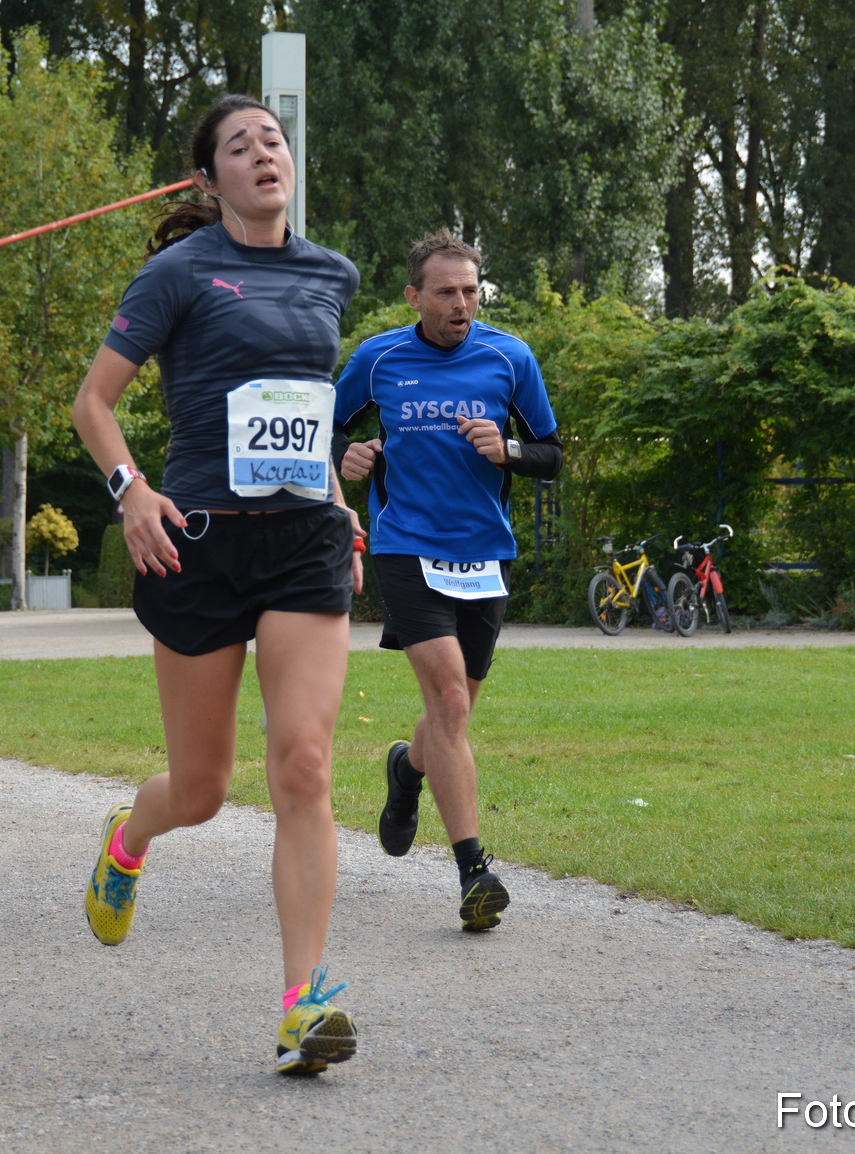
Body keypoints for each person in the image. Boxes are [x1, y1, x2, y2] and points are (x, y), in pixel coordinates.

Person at [72, 94, 364, 1077]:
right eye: (240, 147)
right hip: (195, 543)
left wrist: (336, 503)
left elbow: (308, 408)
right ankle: (129, 838)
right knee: (200, 789)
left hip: (303, 542)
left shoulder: (331, 273)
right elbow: (93, 402)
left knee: (304, 765)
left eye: (273, 140)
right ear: (210, 179)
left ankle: (303, 1000)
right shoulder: (179, 272)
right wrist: (130, 491)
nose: (263, 154)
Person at [334, 231, 563, 931]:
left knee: (451, 716)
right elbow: (321, 427)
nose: (461, 303)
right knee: (450, 701)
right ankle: (474, 872)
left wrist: (511, 448)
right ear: (414, 296)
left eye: (470, 291)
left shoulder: (509, 357)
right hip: (406, 546)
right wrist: (348, 455)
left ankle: (408, 771)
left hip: (485, 554)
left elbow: (552, 453)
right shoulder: (378, 359)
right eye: (446, 292)